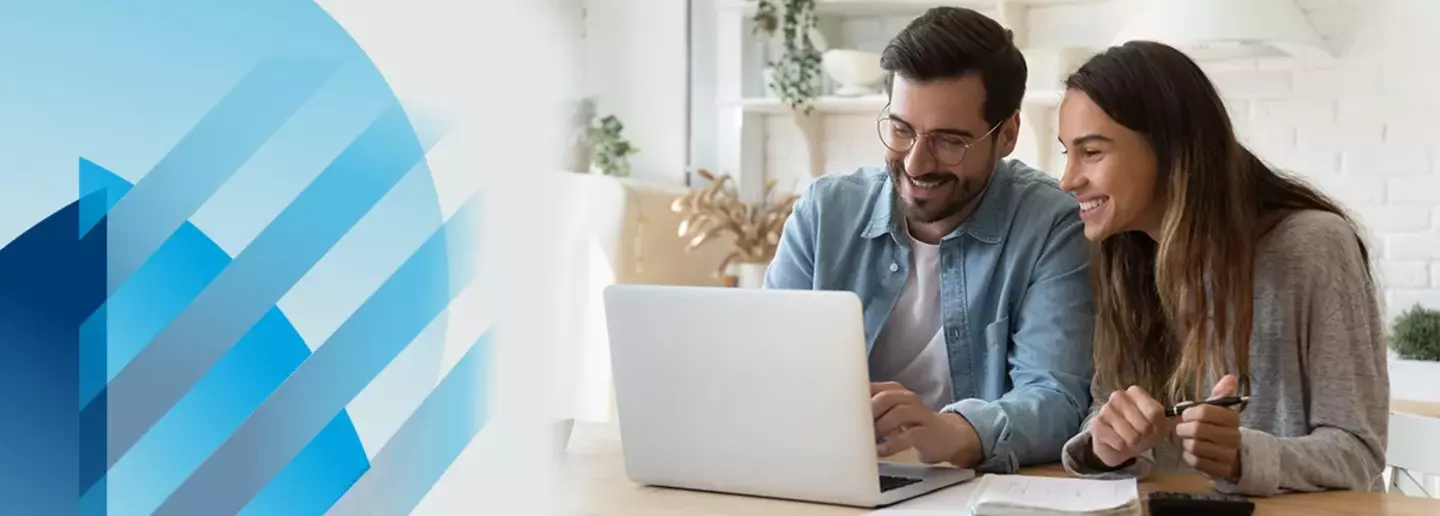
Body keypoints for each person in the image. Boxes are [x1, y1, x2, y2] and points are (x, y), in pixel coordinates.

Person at [764, 6, 1094, 474]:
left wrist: (953, 433)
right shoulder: (824, 212)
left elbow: (1057, 399)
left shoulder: (1050, 226)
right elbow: (764, 365)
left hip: (968, 488)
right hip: (827, 475)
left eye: (949, 140)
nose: (916, 164)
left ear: (1008, 135)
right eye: (901, 130)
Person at [1055, 40, 1389, 496]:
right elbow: (1106, 409)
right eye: (1066, 153)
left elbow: (1359, 452)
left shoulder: (1313, 247)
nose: (1068, 179)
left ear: (1170, 150)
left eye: (1091, 153)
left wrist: (1241, 456)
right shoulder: (1127, 257)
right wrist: (1108, 445)